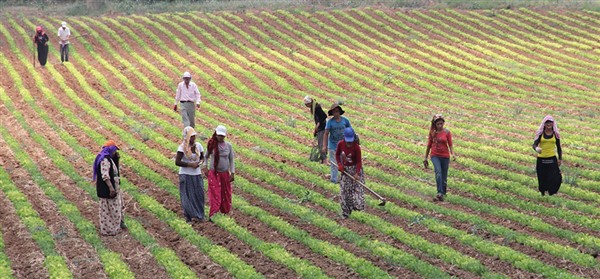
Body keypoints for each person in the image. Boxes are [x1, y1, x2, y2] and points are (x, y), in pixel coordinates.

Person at [203, 125, 235, 221]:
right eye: (219, 135)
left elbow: (231, 159)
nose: (220, 137)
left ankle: (224, 212)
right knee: (215, 192)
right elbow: (206, 156)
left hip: (224, 173)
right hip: (214, 173)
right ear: (216, 134)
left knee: (225, 193)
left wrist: (232, 172)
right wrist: (205, 167)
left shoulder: (228, 146)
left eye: (222, 136)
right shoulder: (212, 145)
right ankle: (214, 213)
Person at [175, 127, 206, 223]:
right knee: (187, 196)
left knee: (199, 195)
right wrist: (190, 164)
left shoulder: (198, 146)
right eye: (191, 137)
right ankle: (188, 216)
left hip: (196, 174)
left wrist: (199, 164)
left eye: (194, 136)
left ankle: (200, 215)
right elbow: (178, 162)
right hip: (186, 174)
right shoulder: (182, 148)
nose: (193, 138)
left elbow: (202, 158)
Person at [93, 141, 123, 236]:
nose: (115, 152)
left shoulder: (108, 159)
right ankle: (110, 230)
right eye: (114, 151)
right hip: (108, 190)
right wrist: (111, 188)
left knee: (112, 208)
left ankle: (114, 228)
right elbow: (105, 175)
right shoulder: (104, 160)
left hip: (112, 188)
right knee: (110, 210)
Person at [423, 114, 455, 201]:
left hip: (445, 156)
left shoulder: (447, 132)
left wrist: (453, 154)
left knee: (444, 176)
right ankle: (439, 192)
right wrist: (425, 158)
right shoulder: (432, 133)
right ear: (435, 124)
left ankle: (443, 193)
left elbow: (450, 144)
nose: (440, 126)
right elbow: (429, 145)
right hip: (435, 155)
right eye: (438, 124)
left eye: (441, 123)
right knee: (438, 172)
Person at [335, 127, 365, 218]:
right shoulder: (340, 144)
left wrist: (357, 173)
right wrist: (340, 164)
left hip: (355, 169)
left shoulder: (356, 147)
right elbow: (337, 154)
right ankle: (345, 212)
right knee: (345, 192)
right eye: (348, 141)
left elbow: (359, 161)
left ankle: (358, 211)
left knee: (356, 192)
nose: (349, 143)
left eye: (350, 141)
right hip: (345, 170)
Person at [532, 115, 563, 196]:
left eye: (550, 122)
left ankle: (552, 192)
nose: (549, 124)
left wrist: (560, 159)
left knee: (554, 177)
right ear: (544, 124)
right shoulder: (540, 134)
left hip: (552, 158)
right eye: (547, 123)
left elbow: (559, 147)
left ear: (553, 124)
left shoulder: (555, 134)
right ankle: (542, 192)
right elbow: (534, 144)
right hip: (541, 159)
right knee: (542, 176)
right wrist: (537, 149)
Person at [322, 102, 352, 183]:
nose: (336, 113)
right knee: (334, 163)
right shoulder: (330, 122)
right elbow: (326, 133)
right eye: (334, 112)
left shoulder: (345, 120)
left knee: (344, 162)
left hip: (344, 145)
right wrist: (325, 146)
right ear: (332, 113)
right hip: (333, 145)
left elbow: (350, 131)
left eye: (337, 111)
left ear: (339, 112)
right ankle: (334, 180)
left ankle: (344, 179)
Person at [303, 95, 327, 164]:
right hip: (321, 128)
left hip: (322, 128)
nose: (306, 106)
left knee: (321, 144)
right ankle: (323, 159)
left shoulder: (317, 108)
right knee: (321, 144)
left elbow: (323, 116)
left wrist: (317, 127)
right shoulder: (314, 107)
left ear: (309, 103)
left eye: (306, 104)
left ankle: (324, 160)